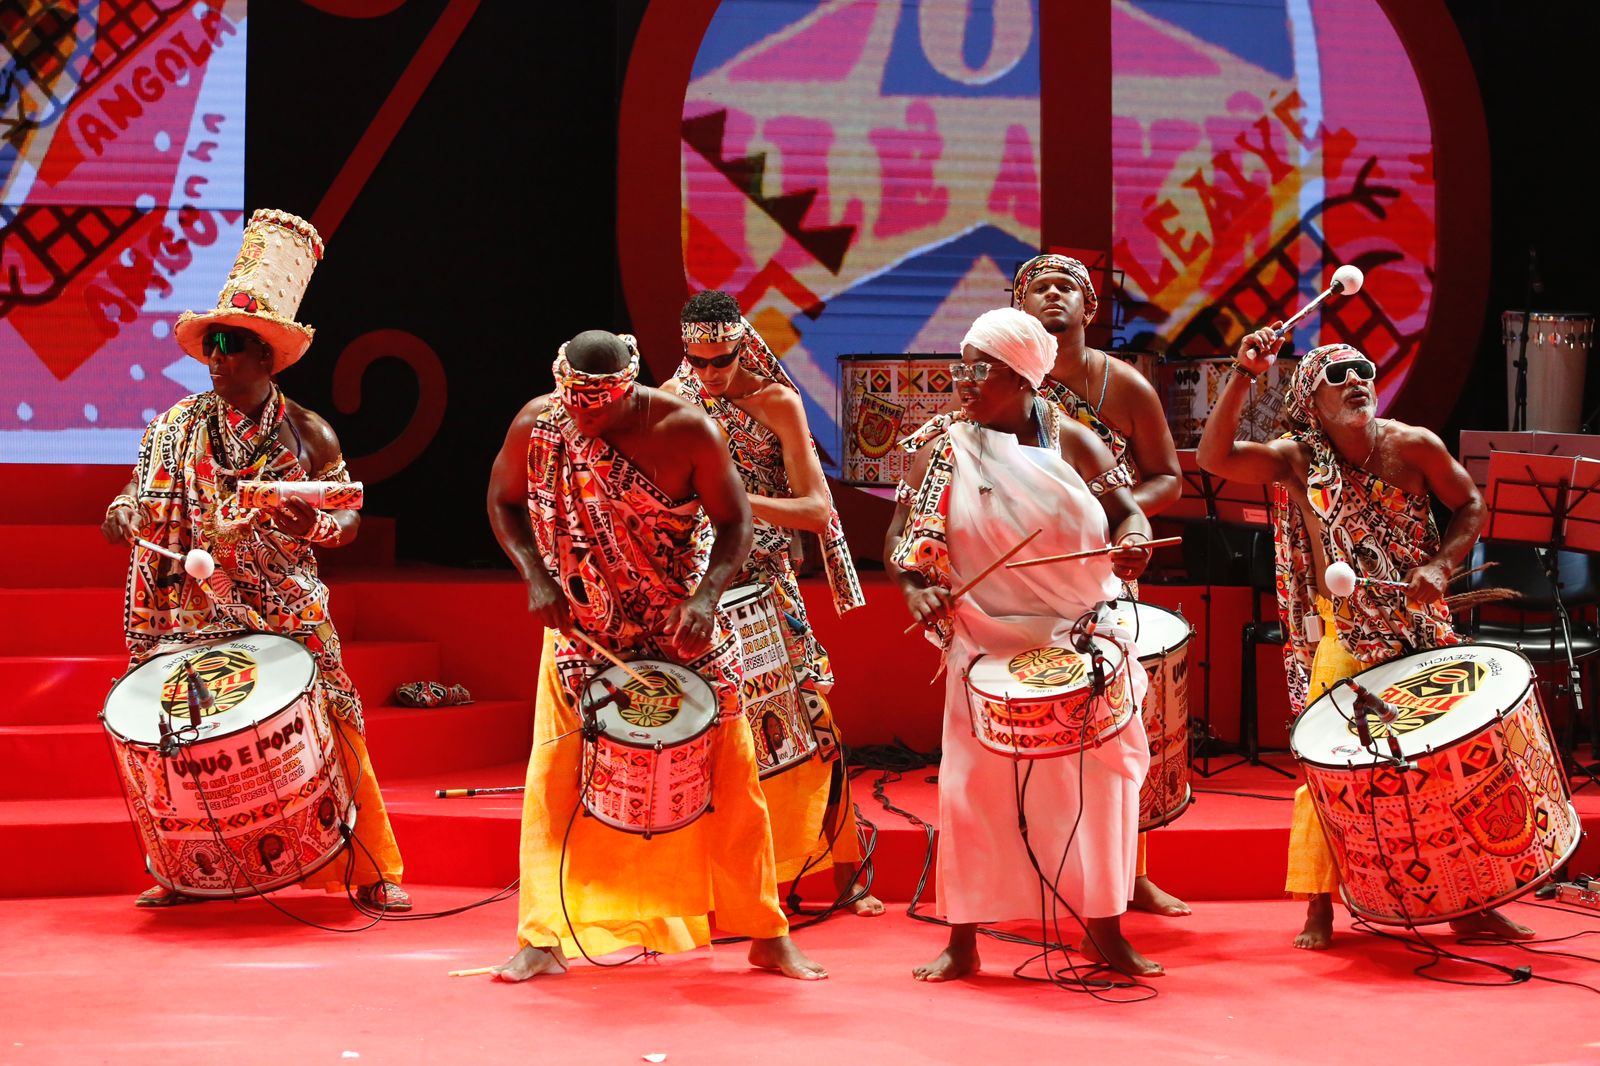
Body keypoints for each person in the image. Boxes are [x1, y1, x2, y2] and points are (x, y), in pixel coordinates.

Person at [485, 329, 827, 981]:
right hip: (581, 628)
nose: (581, 415)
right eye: (572, 401)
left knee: (735, 778)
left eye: (598, 404)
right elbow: (503, 505)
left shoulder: (686, 428)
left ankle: (765, 930)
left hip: (678, 625)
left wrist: (704, 600)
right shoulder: (540, 422)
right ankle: (541, 936)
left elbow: (736, 524)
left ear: (628, 389)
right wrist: (534, 574)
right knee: (553, 781)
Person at [100, 209, 407, 910]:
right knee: (182, 735)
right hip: (187, 600)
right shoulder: (175, 425)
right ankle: (184, 871)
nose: (217, 358)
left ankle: (372, 867)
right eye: (212, 344)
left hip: (280, 599)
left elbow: (348, 517)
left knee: (335, 714)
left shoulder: (307, 431)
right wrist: (124, 509)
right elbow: (138, 487)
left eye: (233, 345)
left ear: (266, 358)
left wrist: (316, 527)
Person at [1196, 328, 1534, 949]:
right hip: (1345, 634)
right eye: (1337, 375)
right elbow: (1213, 461)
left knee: (1451, 766)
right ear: (1310, 398)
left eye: (1365, 370)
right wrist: (1243, 374)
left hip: (1422, 628)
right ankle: (1320, 905)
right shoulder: (1296, 458)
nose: (1356, 381)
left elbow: (1470, 504)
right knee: (1330, 770)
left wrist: (1441, 566)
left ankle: (1472, 903)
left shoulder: (1414, 445)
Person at [886, 307, 1161, 981]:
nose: (965, 381)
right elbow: (901, 541)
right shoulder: (939, 447)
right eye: (963, 365)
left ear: (1024, 377)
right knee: (970, 791)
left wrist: (1132, 544)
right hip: (984, 638)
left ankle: (1103, 930)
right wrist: (914, 587)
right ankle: (963, 940)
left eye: (983, 369)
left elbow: (1128, 513)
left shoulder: (1078, 445)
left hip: (1077, 636)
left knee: (1094, 791)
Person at [666, 290, 881, 917]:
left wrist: (733, 500)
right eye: (696, 361)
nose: (708, 374)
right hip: (695, 589)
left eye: (722, 360)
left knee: (811, 724)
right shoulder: (669, 405)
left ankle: (848, 875)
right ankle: (711, 890)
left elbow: (816, 510)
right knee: (703, 736)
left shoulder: (776, 404)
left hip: (765, 584)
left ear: (742, 343)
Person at [1011, 253, 1188, 918]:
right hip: (1022, 584)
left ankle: (1127, 874)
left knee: (1117, 730)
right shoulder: (1001, 388)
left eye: (1069, 288)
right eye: (1039, 286)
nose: (1054, 295)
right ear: (1017, 306)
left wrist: (1121, 518)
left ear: (1090, 310)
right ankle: (1031, 872)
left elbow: (1166, 476)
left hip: (1103, 577)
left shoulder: (1128, 387)